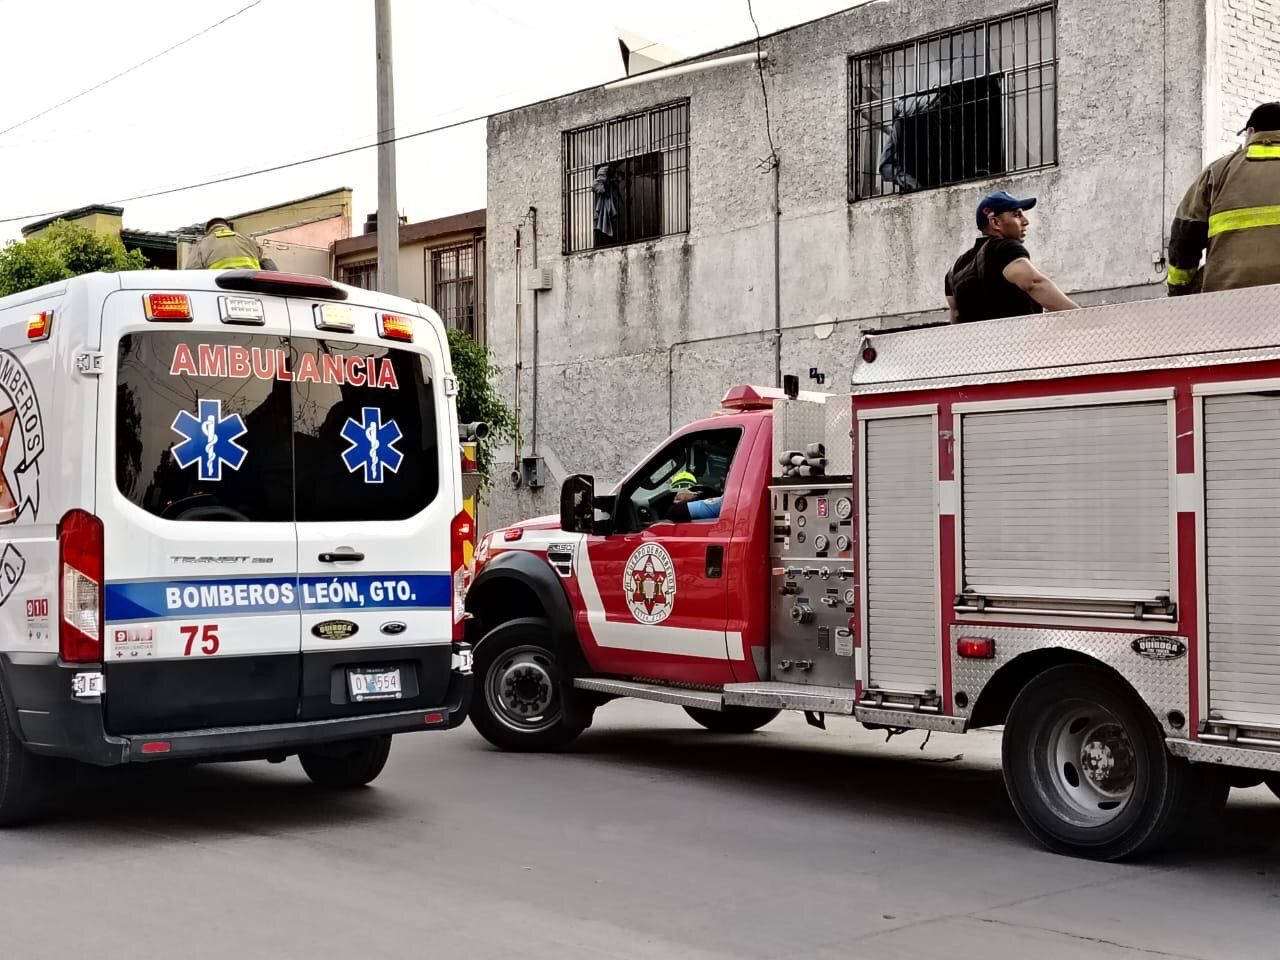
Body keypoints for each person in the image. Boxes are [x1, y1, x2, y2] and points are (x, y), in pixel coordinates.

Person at [1167, 101, 1280, 296]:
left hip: (1227, 297)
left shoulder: (1216, 172)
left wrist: (1179, 290)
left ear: (1251, 131)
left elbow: (1185, 237)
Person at [944, 190, 1078, 323]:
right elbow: (1035, 284)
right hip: (1017, 340)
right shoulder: (1004, 248)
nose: (1025, 221)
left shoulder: (954, 270)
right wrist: (1083, 318)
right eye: (1017, 215)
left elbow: (955, 315)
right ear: (995, 223)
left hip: (977, 343)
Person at [184, 217, 278, 271]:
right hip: (251, 286)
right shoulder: (249, 241)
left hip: (220, 287)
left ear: (208, 231)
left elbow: (192, 272)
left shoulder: (203, 244)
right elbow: (269, 266)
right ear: (227, 227)